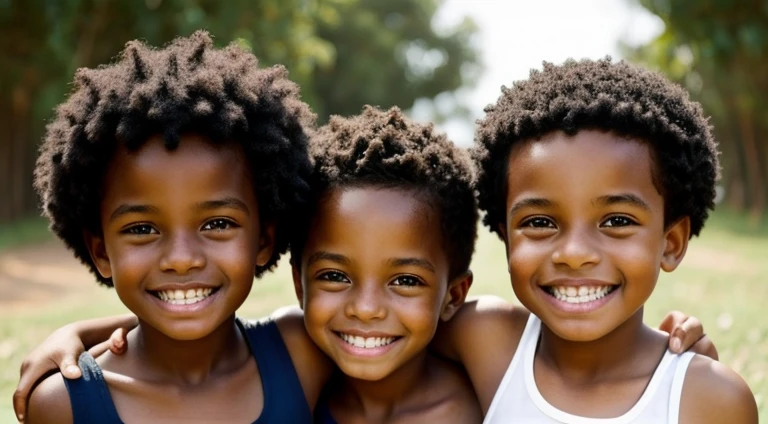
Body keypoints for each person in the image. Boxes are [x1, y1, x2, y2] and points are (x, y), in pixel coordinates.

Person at [24, 31, 331, 423]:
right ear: (101, 251)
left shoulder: (303, 354)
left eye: (218, 223)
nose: (181, 260)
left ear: (264, 240)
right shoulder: (61, 405)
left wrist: (84, 331)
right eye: (141, 229)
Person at [434, 57, 757, 423]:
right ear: (507, 239)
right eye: (540, 222)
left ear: (671, 243)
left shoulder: (710, 399)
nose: (574, 254)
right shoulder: (482, 340)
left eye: (617, 220)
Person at [292, 106, 482, 422]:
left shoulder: (486, 404)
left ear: (454, 295)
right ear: (300, 285)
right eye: (334, 276)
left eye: (406, 280)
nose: (366, 309)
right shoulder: (288, 402)